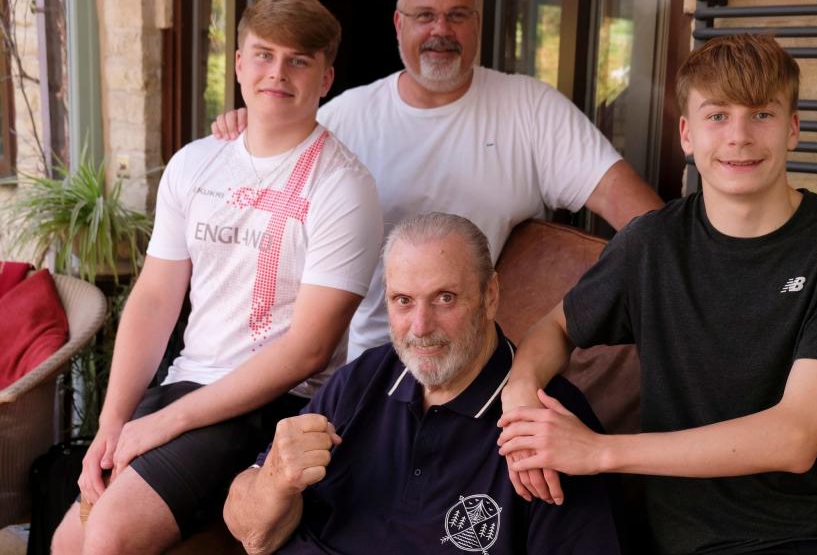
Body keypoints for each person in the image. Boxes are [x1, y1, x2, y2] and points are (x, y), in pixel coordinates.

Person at [497, 33, 817, 555]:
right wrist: (520, 393)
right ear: (686, 134)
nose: (739, 137)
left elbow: (795, 438)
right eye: (717, 116)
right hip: (707, 541)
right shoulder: (651, 245)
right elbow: (554, 326)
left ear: (793, 128)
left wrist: (598, 452)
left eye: (761, 114)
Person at [51, 0, 383, 555]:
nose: (277, 72)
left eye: (298, 60)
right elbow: (156, 298)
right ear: (236, 63)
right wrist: (113, 420)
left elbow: (308, 351)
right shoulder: (195, 163)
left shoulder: (344, 187)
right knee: (66, 543)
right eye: (263, 54)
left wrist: (166, 422)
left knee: (107, 536)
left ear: (325, 78)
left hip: (277, 404)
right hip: (188, 384)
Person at [212, 0, 663, 363]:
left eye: (457, 16)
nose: (440, 31)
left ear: (477, 25)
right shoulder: (344, 119)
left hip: (482, 366)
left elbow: (643, 218)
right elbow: (261, 211)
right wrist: (251, 124)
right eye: (424, 16)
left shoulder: (530, 109)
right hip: (367, 363)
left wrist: (592, 311)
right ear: (398, 24)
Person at [223, 213, 623, 554]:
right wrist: (276, 478)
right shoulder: (363, 379)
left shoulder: (547, 422)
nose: (420, 327)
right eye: (403, 301)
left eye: (445, 298)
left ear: (490, 295)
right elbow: (251, 532)